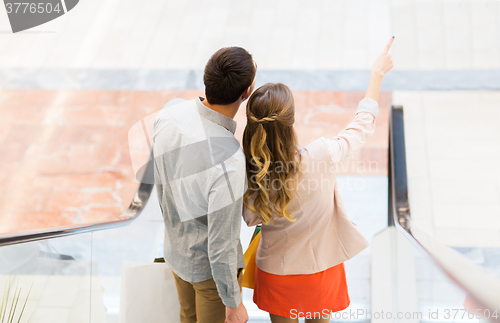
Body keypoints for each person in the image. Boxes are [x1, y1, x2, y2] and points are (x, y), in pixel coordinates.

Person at [242, 37, 395, 323]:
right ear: (291, 121)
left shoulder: (250, 170)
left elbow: (251, 219)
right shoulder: (322, 154)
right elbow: (361, 127)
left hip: (276, 270)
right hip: (320, 268)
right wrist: (376, 76)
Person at [153, 47, 256, 323]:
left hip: (176, 253)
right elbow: (221, 246)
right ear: (247, 92)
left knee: (187, 316)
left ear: (206, 80)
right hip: (211, 275)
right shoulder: (229, 161)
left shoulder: (168, 115)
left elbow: (162, 186)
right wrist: (233, 303)